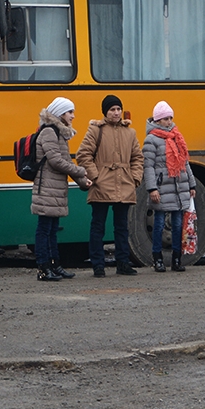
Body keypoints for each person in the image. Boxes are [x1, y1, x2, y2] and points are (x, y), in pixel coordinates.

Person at [76, 94, 144, 278]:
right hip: (102, 185)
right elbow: (83, 154)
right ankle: (98, 265)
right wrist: (96, 176)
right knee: (98, 226)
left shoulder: (130, 133)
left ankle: (123, 263)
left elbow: (137, 158)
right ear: (105, 112)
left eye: (118, 109)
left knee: (122, 227)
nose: (116, 112)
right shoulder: (95, 130)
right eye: (112, 109)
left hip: (124, 184)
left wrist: (135, 179)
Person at [32, 97, 92, 281]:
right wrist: (81, 171)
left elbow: (65, 161)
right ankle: (43, 268)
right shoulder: (49, 132)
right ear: (60, 113)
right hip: (47, 188)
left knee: (52, 229)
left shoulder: (58, 133)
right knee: (44, 229)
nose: (73, 116)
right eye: (69, 112)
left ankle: (55, 265)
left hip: (55, 189)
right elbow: (56, 161)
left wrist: (83, 181)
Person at [144, 101, 196, 273]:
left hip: (178, 187)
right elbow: (148, 167)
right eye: (165, 119)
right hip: (161, 188)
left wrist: (192, 184)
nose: (169, 122)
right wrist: (152, 188)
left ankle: (177, 259)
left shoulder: (176, 136)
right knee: (159, 225)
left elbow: (184, 163)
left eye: (170, 118)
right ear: (157, 120)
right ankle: (157, 258)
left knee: (178, 225)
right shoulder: (151, 140)